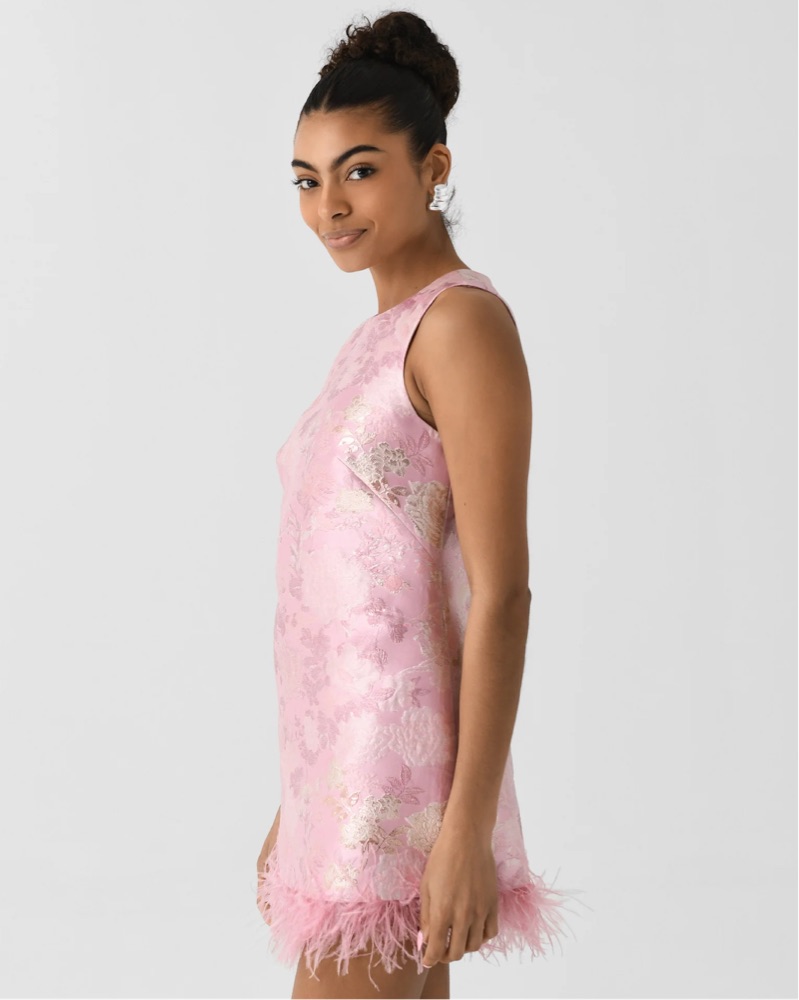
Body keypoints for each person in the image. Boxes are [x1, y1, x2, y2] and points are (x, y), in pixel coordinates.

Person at [255, 10, 581, 999]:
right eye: (306, 180)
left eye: (358, 171)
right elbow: (355, 597)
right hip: (343, 786)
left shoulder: (460, 327)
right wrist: (299, 801)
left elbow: (502, 593)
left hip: (400, 798)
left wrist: (466, 829)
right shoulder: (375, 339)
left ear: (433, 166)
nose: (328, 206)